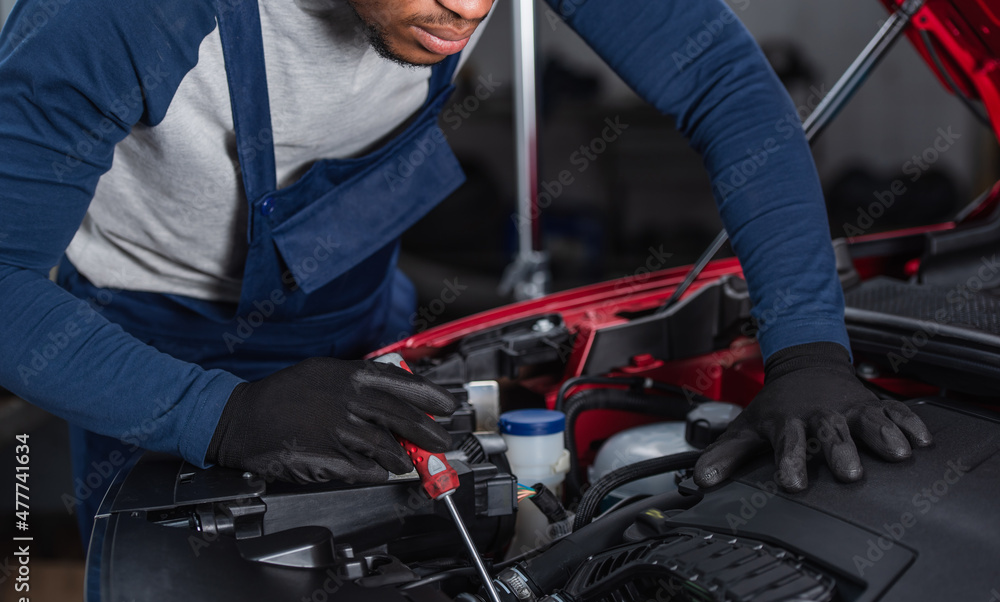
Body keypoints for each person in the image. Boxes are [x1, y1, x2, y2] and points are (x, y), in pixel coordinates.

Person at [0, 0, 931, 542]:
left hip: (362, 313)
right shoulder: (109, 13)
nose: (465, 7)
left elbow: (723, 83)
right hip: (141, 344)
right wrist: (222, 414)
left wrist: (807, 347)